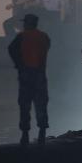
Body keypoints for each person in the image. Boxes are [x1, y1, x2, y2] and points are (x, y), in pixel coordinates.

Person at [7, 14, 51, 146]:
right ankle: (42, 132)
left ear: (27, 23)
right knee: (41, 103)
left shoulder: (22, 36)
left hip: (26, 74)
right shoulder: (44, 37)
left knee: (25, 104)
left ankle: (25, 134)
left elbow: (11, 49)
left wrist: (18, 64)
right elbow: (46, 49)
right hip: (40, 74)